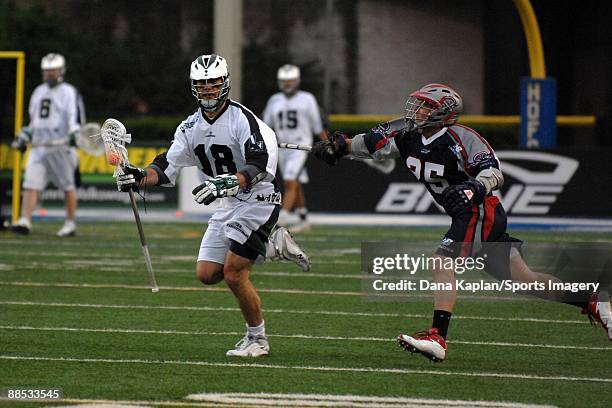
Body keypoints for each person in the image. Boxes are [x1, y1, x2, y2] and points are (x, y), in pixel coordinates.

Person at [312, 83, 612, 361]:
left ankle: (438, 338)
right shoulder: (407, 132)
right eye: (417, 105)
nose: (416, 111)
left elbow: (493, 171)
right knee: (526, 281)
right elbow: (368, 144)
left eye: (425, 107)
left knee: (442, 261)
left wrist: (474, 187)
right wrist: (337, 148)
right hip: (465, 214)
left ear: (443, 113)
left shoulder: (463, 138)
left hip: (479, 210)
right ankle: (594, 301)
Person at [116, 54, 311, 357]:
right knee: (207, 274)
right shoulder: (189, 126)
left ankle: (257, 339)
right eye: (201, 83)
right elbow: (165, 167)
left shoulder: (242, 119)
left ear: (225, 83)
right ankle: (272, 245)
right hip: (229, 202)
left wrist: (229, 182)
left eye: (213, 82)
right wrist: (138, 177)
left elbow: (259, 163)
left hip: (259, 197)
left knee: (234, 273)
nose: (207, 88)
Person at [11, 53, 85, 237]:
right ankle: (24, 220)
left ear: (61, 70)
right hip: (39, 145)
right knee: (30, 183)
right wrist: (25, 134)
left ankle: (70, 223)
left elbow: (75, 118)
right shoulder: (38, 91)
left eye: (53, 70)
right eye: (47, 71)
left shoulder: (69, 91)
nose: (50, 74)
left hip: (61, 145)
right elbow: (34, 120)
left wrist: (75, 134)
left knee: (68, 186)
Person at [262, 64, 327, 232]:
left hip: (300, 146)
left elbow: (318, 126)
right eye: (284, 81)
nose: (287, 84)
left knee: (290, 181)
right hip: (282, 148)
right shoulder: (274, 100)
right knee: (294, 183)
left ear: (297, 81)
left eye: (290, 81)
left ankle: (281, 217)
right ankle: (304, 218)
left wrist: (327, 144)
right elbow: (265, 126)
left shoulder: (307, 99)